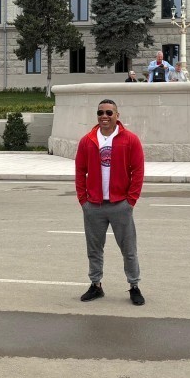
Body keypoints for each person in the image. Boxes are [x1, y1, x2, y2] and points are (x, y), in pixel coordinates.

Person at [75, 98, 146, 306]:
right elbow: (80, 171)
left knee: (129, 249)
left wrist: (130, 200)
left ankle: (134, 286)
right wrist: (83, 199)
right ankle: (95, 285)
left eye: (108, 112)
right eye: (100, 113)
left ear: (117, 115)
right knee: (94, 249)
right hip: (94, 205)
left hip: (120, 205)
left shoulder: (129, 139)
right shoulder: (88, 140)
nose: (104, 116)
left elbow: (138, 171)